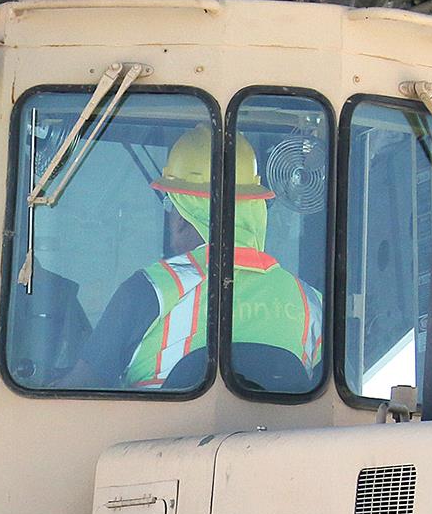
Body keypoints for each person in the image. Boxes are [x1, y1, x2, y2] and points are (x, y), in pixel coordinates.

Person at [68, 126, 322, 391]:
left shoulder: (149, 290)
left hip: (157, 432)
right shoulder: (311, 302)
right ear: (253, 207)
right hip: (277, 433)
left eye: (170, 204)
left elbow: (80, 390)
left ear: (181, 218)